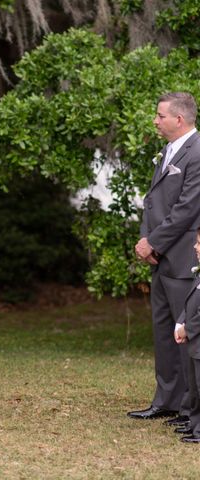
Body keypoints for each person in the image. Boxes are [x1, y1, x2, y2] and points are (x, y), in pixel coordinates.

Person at [129, 92, 200, 425]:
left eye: (160, 116)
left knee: (184, 333)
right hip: (160, 257)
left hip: (184, 257)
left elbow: (188, 208)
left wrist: (154, 243)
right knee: (162, 332)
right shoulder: (168, 151)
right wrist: (147, 242)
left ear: (179, 120)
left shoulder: (197, 151)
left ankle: (190, 407)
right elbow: (153, 201)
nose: (155, 121)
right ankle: (167, 400)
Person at [173, 227, 200, 443]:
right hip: (194, 344)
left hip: (197, 338)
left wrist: (187, 329)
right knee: (195, 388)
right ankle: (195, 424)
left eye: (199, 243)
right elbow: (191, 301)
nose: (195, 246)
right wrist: (180, 321)